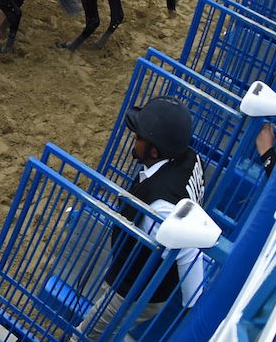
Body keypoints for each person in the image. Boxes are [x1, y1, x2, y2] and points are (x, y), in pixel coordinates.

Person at [78, 97, 204, 340]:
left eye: (138, 138)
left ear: (154, 150)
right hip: (136, 279)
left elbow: (188, 250)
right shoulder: (188, 158)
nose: (134, 141)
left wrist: (192, 310)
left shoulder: (161, 205)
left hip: (135, 292)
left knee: (85, 336)